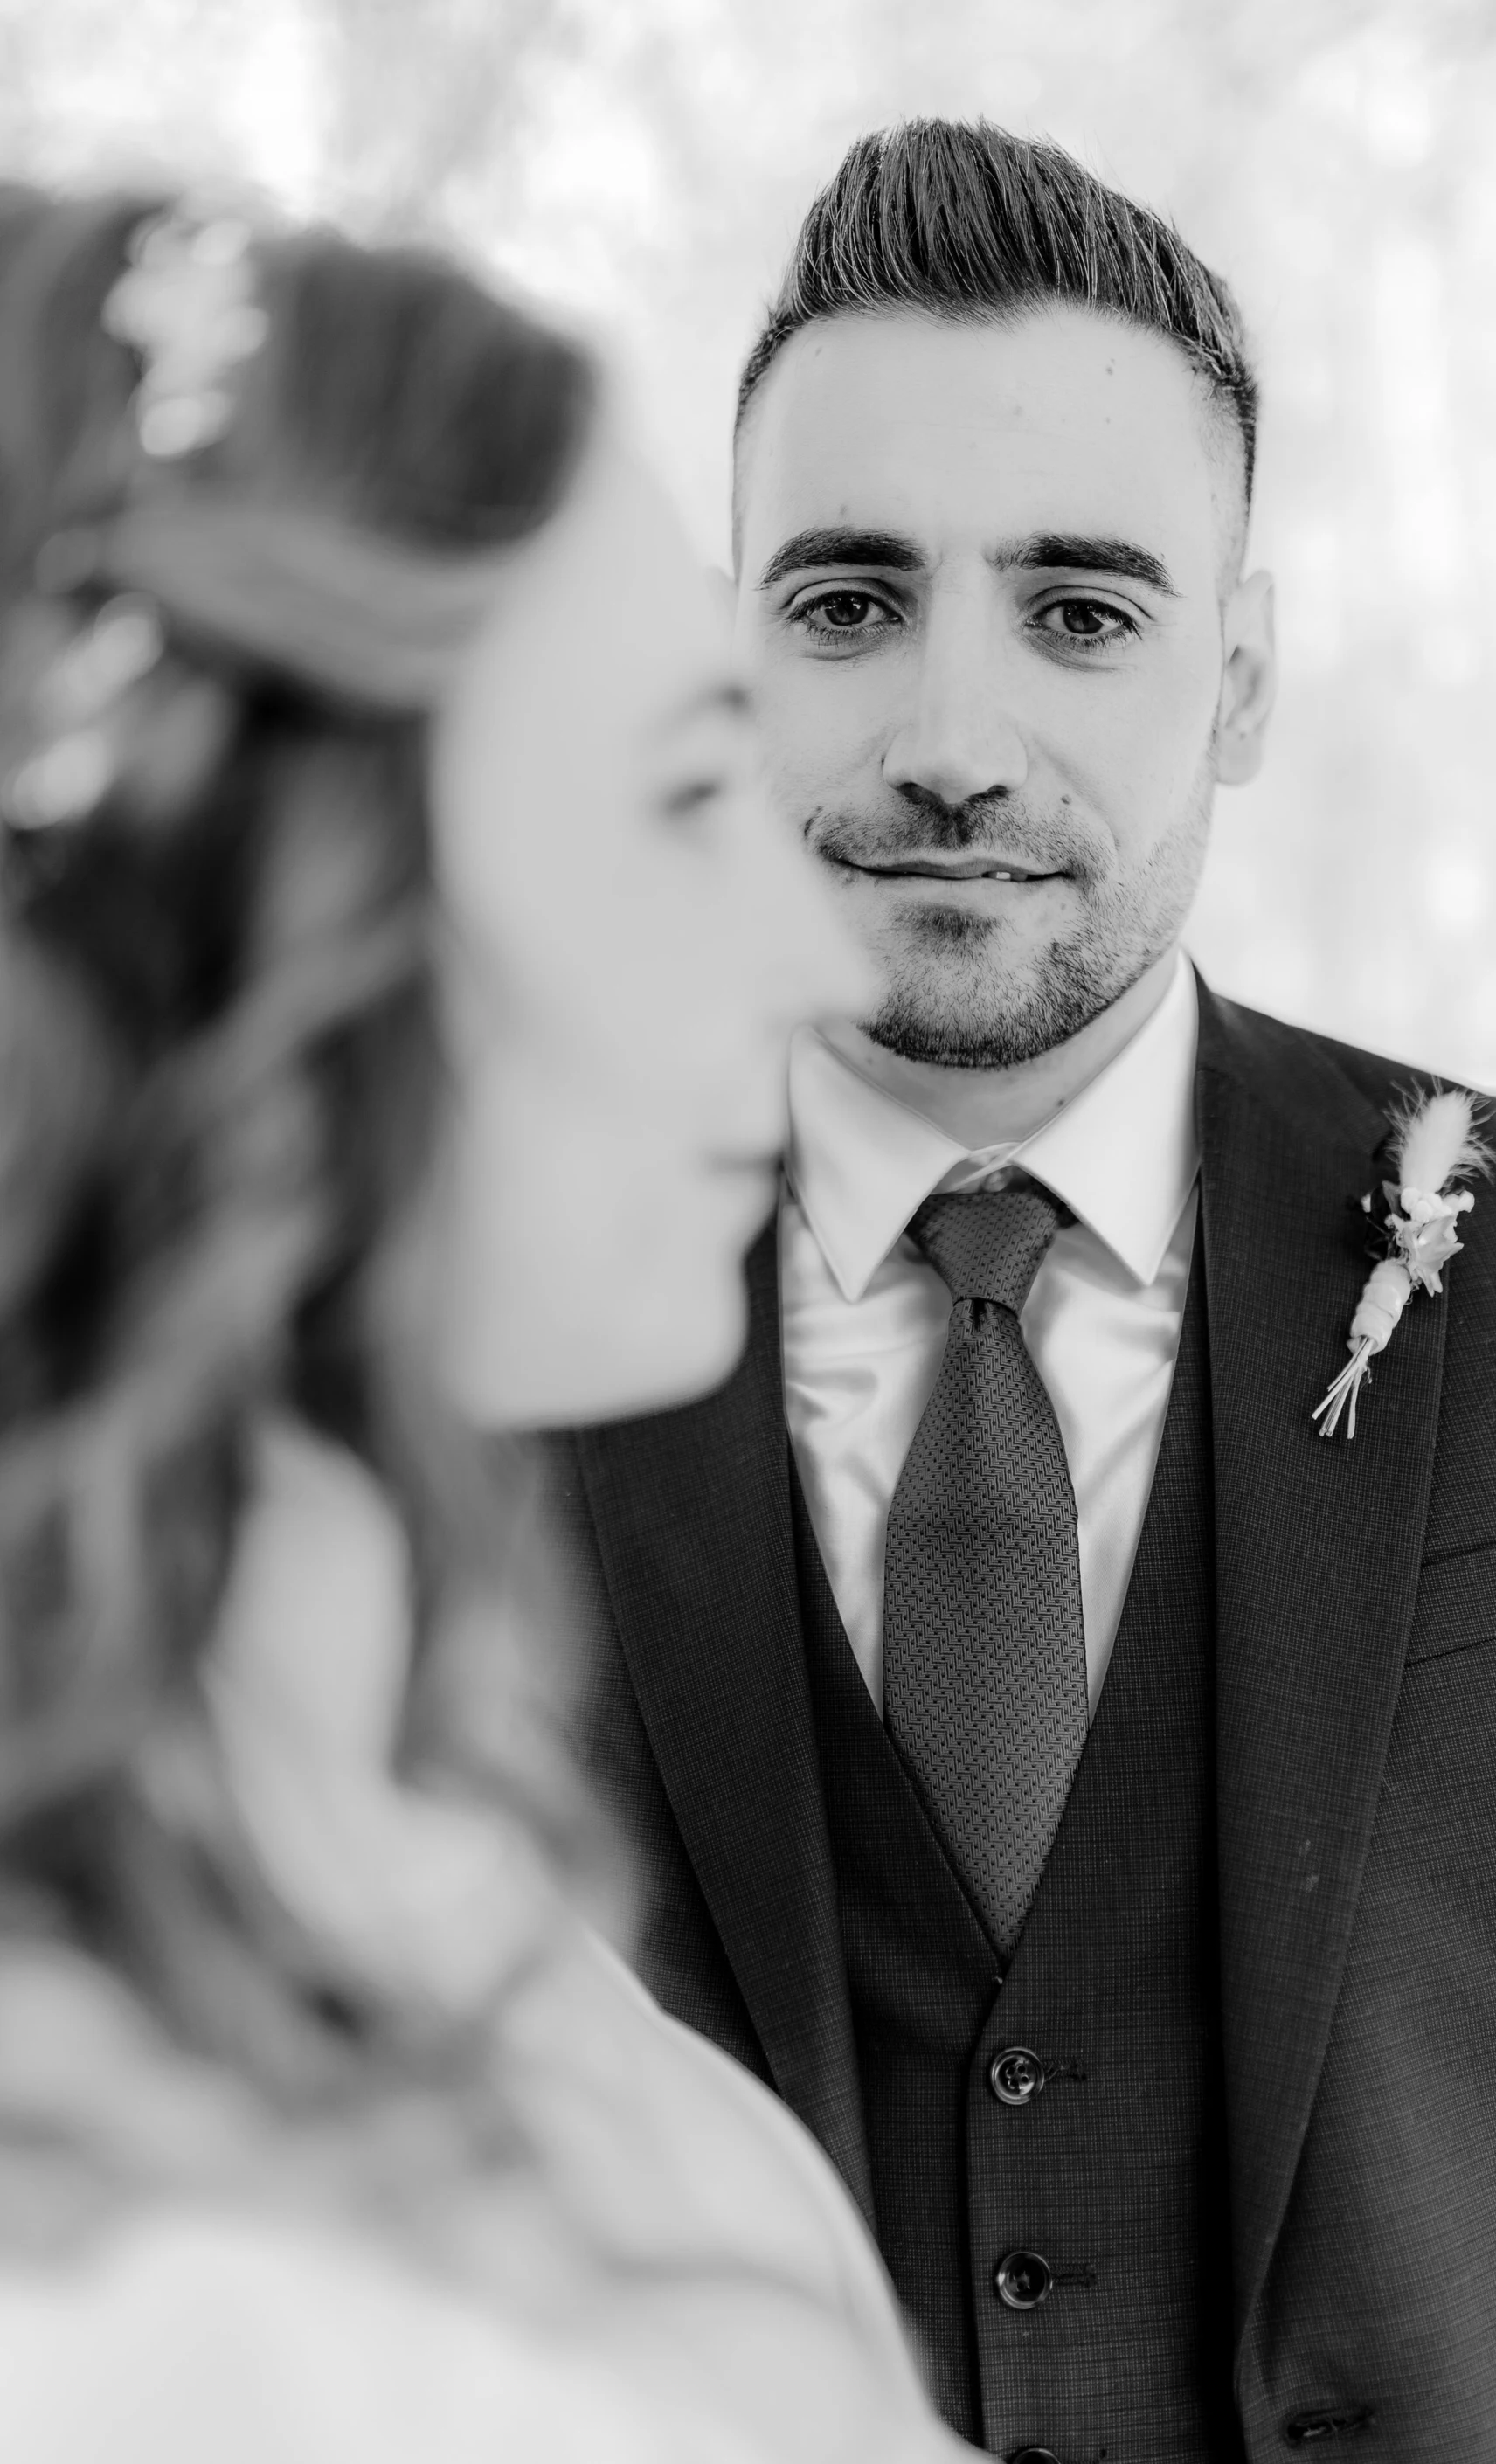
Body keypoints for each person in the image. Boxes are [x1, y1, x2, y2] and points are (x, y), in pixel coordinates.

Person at [551, 120, 1496, 2464]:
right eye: (848, 604)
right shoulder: (449, 1335)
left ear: (1237, 680)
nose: (952, 744)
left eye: (1084, 612)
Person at [0, 183, 967, 2462]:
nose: (827, 962)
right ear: (277, 934)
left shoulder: (409, 1864)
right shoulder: (140, 2298)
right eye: (679, 794)